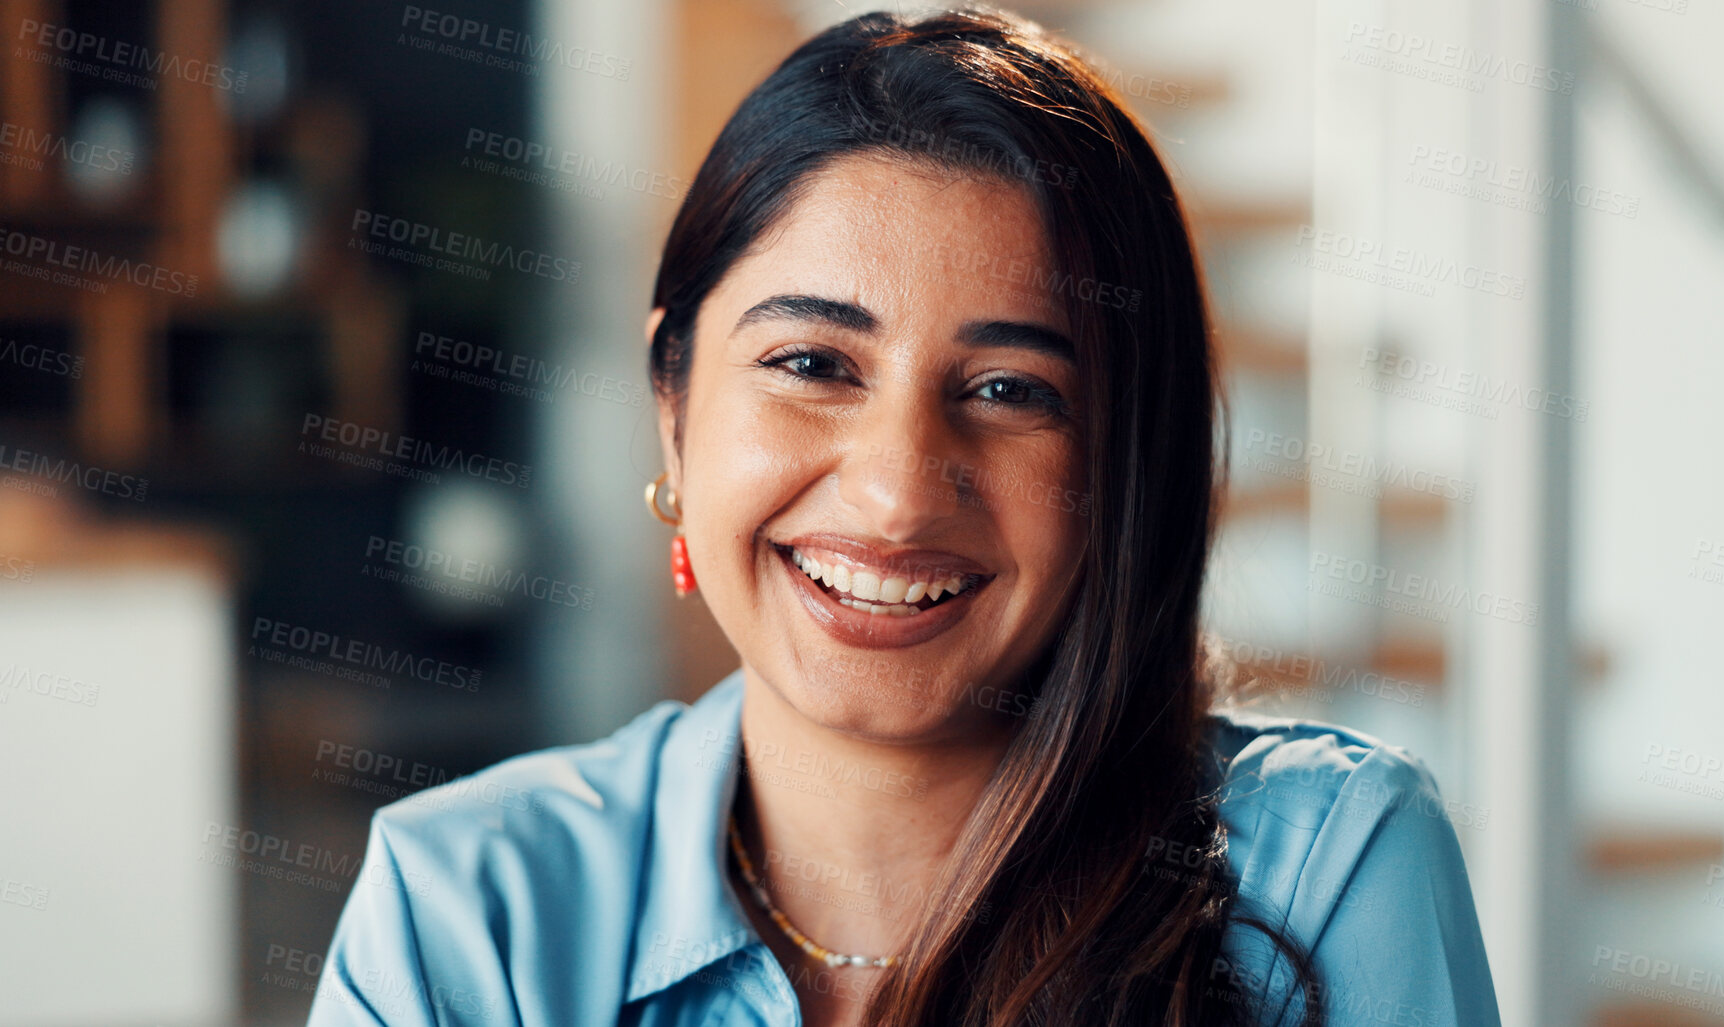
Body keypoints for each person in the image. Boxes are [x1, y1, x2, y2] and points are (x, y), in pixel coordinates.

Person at [308, 9, 1499, 1026]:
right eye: (814, 363)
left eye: (1009, 390)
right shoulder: (467, 910)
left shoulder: (1329, 874)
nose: (895, 492)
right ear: (672, 406)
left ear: (1128, 461)